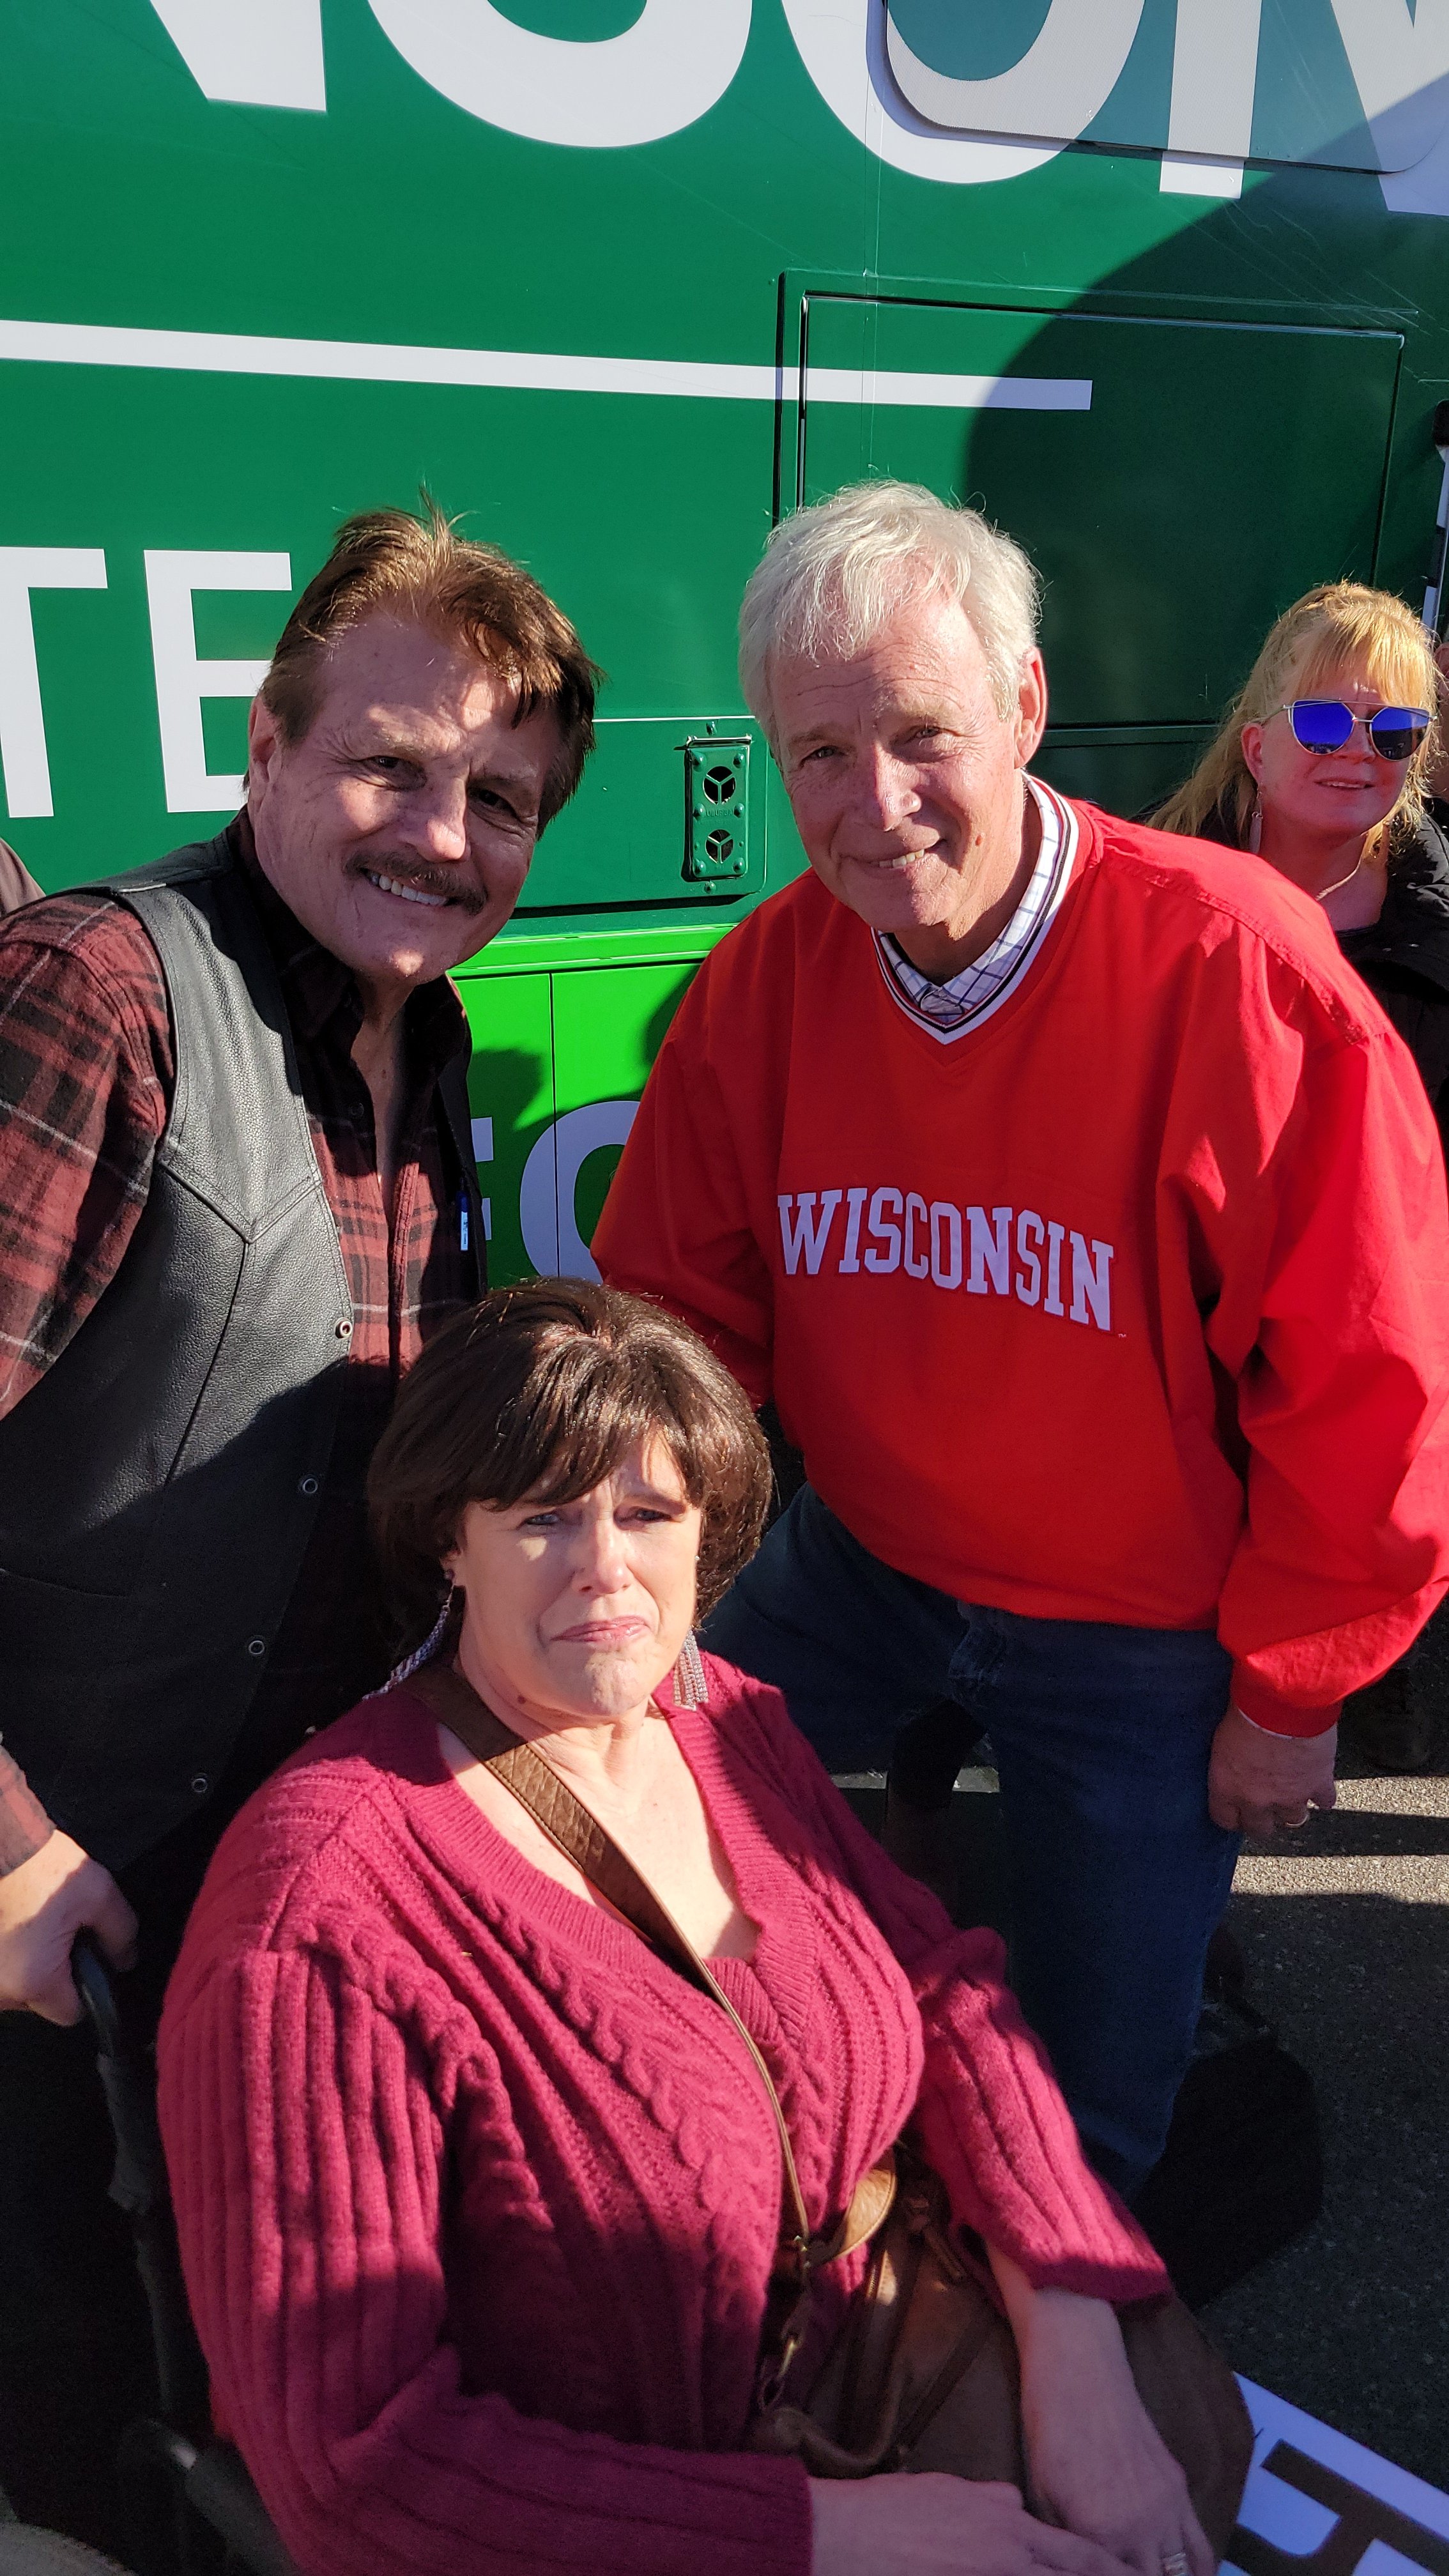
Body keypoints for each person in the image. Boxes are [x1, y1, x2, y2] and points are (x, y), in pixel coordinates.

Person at [592, 480, 1449, 2200]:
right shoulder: (765, 984)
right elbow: (671, 1320)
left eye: (923, 734)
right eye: (820, 753)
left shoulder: (1236, 970)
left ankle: (1068, 2317)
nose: (876, 802)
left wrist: (1291, 1694)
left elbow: (1368, 1381)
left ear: (1027, 705)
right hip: (867, 1563)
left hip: (1139, 1627)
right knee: (613, 1812)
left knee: (1090, 2103)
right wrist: (616, 1578)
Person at [157, 1278, 1206, 2576]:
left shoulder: (723, 1720)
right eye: (543, 1517)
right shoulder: (318, 1919)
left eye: (649, 1514)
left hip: (890, 2377)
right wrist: (828, 2536)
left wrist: (1070, 2328)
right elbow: (356, 2470)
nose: (606, 1569)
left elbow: (945, 1989)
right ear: (448, 1540)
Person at [0, 501, 598, 2542]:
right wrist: (10, 1850)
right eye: (388, 767)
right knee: (74, 2429)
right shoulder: (102, 995)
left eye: (499, 802)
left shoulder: (418, 1030)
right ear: (263, 747)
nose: (443, 837)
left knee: (246, 2404)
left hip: (269, 1895)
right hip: (62, 1910)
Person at [1152, 582, 1448, 1773]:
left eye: (1395, 730)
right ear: (1258, 742)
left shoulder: (1440, 925)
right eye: (1325, 722)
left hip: (1374, 1324)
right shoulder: (1160, 898)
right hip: (1196, 1321)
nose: (1358, 752)